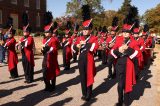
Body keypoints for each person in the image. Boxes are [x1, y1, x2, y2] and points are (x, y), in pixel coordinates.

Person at [110, 7, 138, 106]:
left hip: (129, 65)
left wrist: (128, 49)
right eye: (124, 31)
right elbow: (112, 52)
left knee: (127, 85)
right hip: (119, 64)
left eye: (127, 32)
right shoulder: (118, 40)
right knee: (120, 84)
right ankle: (120, 100)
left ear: (130, 33)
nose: (125, 33)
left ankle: (126, 102)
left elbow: (136, 54)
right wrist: (119, 50)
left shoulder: (134, 42)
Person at [72, 4, 98, 101]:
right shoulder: (79, 38)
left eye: (87, 29)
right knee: (82, 77)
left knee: (89, 76)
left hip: (89, 59)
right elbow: (73, 47)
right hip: (81, 59)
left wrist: (85, 44)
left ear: (90, 30)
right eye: (84, 29)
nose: (85, 31)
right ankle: (84, 92)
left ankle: (89, 93)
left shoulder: (93, 38)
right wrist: (76, 46)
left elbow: (95, 46)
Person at [41, 11, 60, 92]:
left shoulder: (54, 39)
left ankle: (53, 86)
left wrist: (48, 48)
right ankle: (47, 85)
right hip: (45, 58)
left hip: (52, 58)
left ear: (51, 32)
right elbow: (43, 49)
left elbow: (55, 49)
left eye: (48, 32)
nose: (46, 33)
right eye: (45, 32)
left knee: (52, 73)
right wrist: (43, 50)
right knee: (44, 72)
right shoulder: (44, 39)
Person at [17, 12, 35, 83]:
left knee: (29, 67)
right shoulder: (22, 38)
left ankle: (30, 78)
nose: (24, 32)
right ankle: (26, 78)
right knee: (24, 66)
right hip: (24, 54)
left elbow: (28, 44)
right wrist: (18, 45)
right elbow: (18, 45)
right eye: (24, 31)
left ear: (28, 32)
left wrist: (21, 43)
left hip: (29, 54)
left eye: (26, 31)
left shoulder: (30, 38)